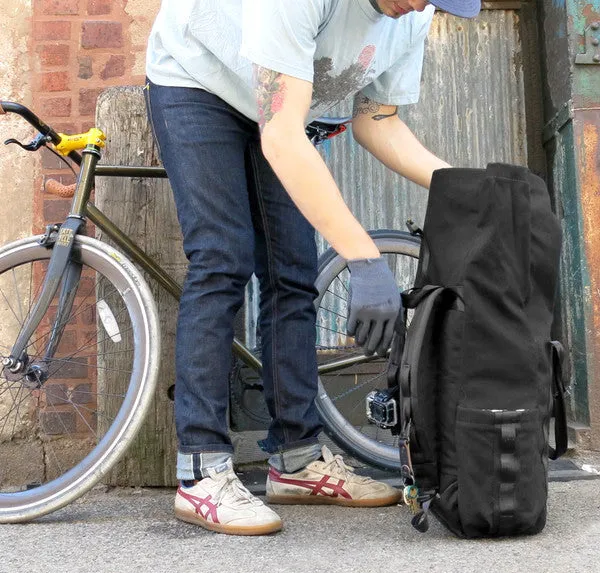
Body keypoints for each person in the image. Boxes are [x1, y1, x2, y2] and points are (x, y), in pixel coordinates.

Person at [145, 0, 480, 536]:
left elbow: (379, 122)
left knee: (293, 274)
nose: (420, 5)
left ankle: (296, 460)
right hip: (200, 81)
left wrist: (467, 185)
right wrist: (363, 256)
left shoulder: (414, 15)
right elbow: (279, 134)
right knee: (222, 258)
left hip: (282, 109)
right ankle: (201, 470)